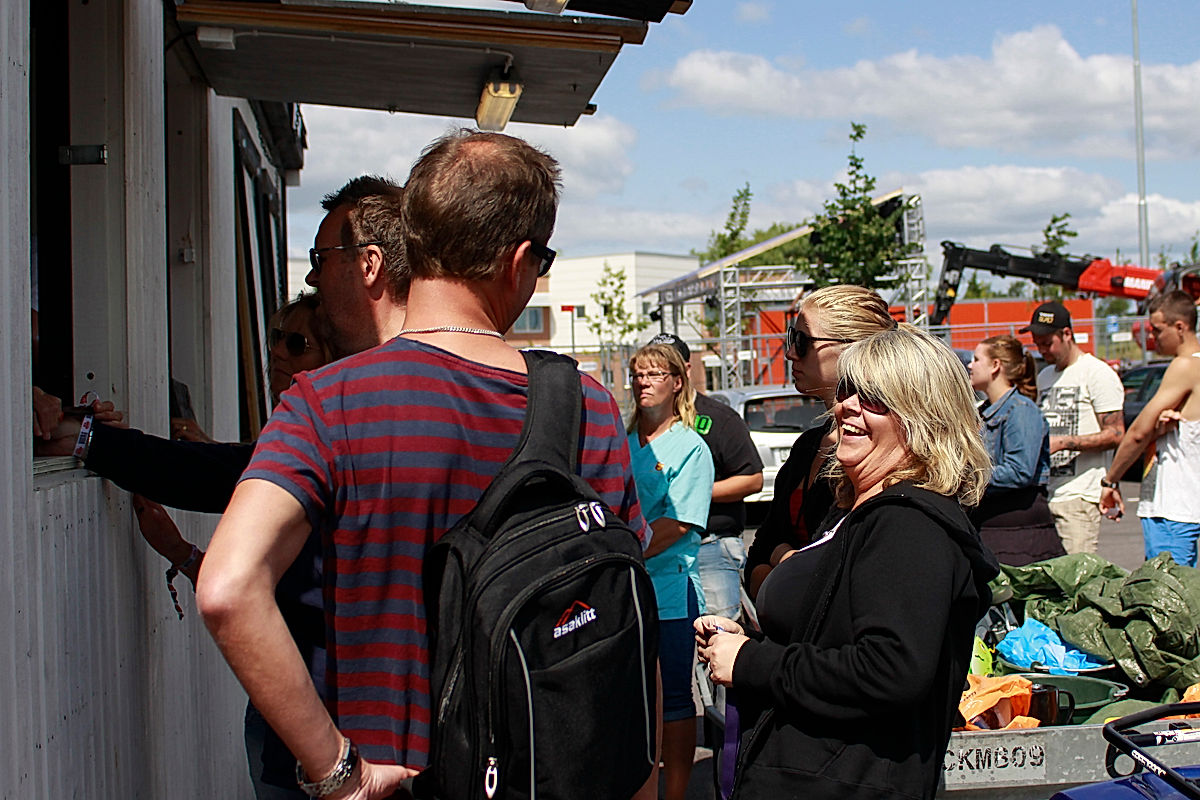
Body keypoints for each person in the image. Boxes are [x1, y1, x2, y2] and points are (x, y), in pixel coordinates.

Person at [197, 130, 650, 800]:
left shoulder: (327, 403)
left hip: (393, 780)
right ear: (520, 260)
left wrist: (337, 773)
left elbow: (228, 589)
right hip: (547, 779)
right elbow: (620, 623)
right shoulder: (581, 405)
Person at [695, 325, 999, 800]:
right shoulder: (856, 509)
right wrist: (751, 643)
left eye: (875, 398)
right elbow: (835, 635)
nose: (848, 406)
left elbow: (889, 670)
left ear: (923, 417)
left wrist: (753, 662)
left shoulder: (908, 523)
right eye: (846, 390)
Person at [744, 284, 896, 600]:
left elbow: (838, 580)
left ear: (853, 347)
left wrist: (783, 560)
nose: (789, 352)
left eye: (803, 341)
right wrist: (786, 562)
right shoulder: (808, 445)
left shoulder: (882, 453)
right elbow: (759, 554)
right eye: (791, 337)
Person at [626, 341, 715, 800]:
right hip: (624, 595)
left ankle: (676, 792)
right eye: (638, 373)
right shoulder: (621, 445)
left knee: (676, 701)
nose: (644, 381)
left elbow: (679, 522)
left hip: (669, 594)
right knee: (634, 703)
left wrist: (623, 551)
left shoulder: (691, 448)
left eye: (655, 374)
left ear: (677, 383)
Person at [648, 332, 762, 621]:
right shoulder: (646, 422)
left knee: (716, 638)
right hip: (658, 548)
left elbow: (752, 479)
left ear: (686, 370)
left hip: (710, 545)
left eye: (668, 367)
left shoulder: (719, 419)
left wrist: (693, 493)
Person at [1100, 290, 1200, 566]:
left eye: (1157, 329)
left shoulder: (1185, 365)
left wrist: (1111, 480)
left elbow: (1138, 432)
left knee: (1166, 595)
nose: (1152, 338)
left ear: (1180, 327)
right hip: (1189, 502)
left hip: (1173, 502)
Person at [1024, 301, 1125, 554]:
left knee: (1075, 579)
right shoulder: (1046, 375)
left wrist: (1065, 442)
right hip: (1047, 493)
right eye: (1037, 343)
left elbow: (1116, 434)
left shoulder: (1096, 373)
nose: (1042, 349)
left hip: (1080, 495)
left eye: (1047, 342)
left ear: (1067, 334)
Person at [967, 334, 1064, 565]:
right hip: (993, 526)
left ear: (995, 366)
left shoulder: (1021, 410)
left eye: (976, 359)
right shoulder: (984, 412)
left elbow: (1019, 471)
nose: (970, 365)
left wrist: (967, 476)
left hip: (1018, 533)